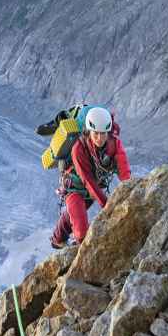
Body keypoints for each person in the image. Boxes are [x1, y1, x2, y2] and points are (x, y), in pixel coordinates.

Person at [47, 105, 131, 248]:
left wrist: (131, 191)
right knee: (81, 233)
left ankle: (58, 239)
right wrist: (108, 206)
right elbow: (87, 180)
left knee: (75, 213)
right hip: (74, 188)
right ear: (88, 131)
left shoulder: (114, 145)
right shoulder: (78, 148)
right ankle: (62, 242)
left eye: (103, 133)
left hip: (92, 190)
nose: (100, 138)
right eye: (96, 133)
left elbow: (125, 172)